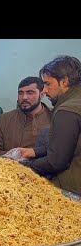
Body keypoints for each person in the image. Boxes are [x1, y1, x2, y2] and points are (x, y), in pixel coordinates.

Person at [26, 56, 81, 195]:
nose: (44, 90)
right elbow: (71, 145)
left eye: (47, 84)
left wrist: (26, 167)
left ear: (64, 82)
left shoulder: (67, 110)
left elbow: (57, 161)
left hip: (72, 190)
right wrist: (36, 152)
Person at [0, 77, 51, 156]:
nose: (24, 97)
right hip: (11, 166)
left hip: (44, 167)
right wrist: (14, 155)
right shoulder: (4, 119)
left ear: (41, 95)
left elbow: (59, 152)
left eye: (30, 93)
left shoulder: (55, 117)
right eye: (20, 93)